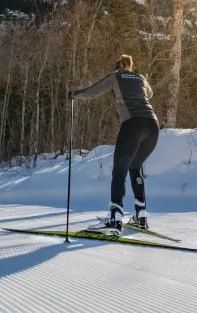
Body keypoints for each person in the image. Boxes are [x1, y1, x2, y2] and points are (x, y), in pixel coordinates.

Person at [68, 54, 160, 236]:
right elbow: (150, 94)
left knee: (119, 169)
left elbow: (94, 90)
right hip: (153, 126)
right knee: (135, 166)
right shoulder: (140, 77)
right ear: (131, 66)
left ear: (117, 67)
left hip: (133, 125)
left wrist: (75, 94)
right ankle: (141, 216)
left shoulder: (115, 76)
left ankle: (114, 219)